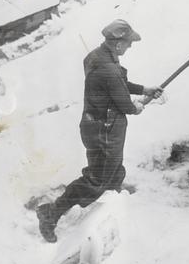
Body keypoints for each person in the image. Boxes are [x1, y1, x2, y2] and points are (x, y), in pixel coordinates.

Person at [36, 19, 163, 242]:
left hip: (96, 125)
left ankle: (111, 206)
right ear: (117, 44)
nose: (130, 46)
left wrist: (144, 89)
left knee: (112, 170)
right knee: (96, 179)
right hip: (105, 130)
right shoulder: (109, 69)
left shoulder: (97, 56)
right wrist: (138, 106)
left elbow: (119, 84)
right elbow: (126, 104)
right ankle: (50, 213)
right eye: (128, 42)